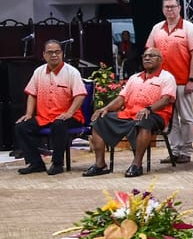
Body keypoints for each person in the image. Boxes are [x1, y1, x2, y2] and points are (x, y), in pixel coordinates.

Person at [83, 49, 176, 178]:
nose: (147, 58)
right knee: (99, 119)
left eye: (151, 56)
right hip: (129, 114)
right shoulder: (134, 78)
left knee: (144, 121)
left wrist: (149, 109)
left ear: (160, 60)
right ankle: (100, 164)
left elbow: (166, 99)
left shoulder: (167, 77)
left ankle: (136, 164)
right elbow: (121, 98)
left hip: (155, 114)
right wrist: (106, 108)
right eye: (145, 56)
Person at [14, 39, 87, 175]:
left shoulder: (72, 72)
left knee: (58, 125)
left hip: (69, 116)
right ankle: (36, 163)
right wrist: (29, 114)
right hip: (44, 116)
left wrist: (70, 112)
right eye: (50, 52)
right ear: (44, 55)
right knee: (21, 126)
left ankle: (57, 164)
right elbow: (32, 94)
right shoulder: (38, 72)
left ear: (62, 54)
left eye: (57, 52)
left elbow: (80, 95)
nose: (54, 55)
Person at [146, 0, 193, 165]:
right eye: (166, 7)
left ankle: (186, 151)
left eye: (172, 7)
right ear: (163, 10)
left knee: (186, 118)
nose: (170, 10)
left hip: (182, 81)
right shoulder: (157, 28)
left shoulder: (188, 27)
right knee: (170, 119)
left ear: (179, 8)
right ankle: (174, 150)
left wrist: (191, 79)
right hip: (163, 84)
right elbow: (150, 53)